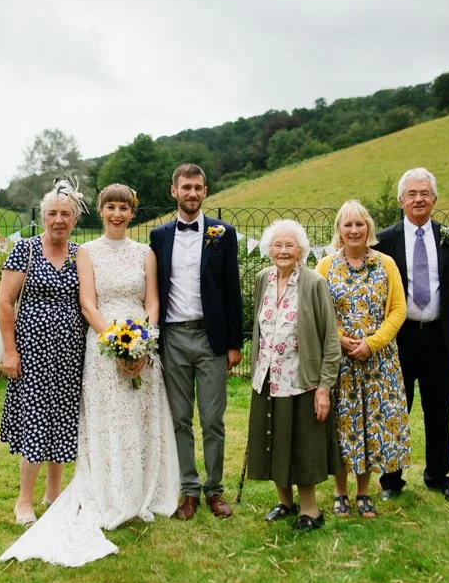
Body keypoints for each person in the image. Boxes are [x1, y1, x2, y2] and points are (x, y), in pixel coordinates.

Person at [0, 184, 179, 567]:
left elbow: (152, 300)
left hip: (106, 347)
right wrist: (116, 342)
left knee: (96, 419)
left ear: (132, 212)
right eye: (110, 207)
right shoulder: (76, 252)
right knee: (78, 419)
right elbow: (84, 303)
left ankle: (122, 491)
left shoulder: (136, 253)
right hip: (83, 346)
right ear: (100, 211)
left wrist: (142, 343)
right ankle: (35, 499)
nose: (117, 213)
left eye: (124, 208)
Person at [150, 164, 244, 520]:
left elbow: (232, 290)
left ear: (205, 191)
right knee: (179, 419)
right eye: (186, 187)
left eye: (198, 187)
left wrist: (234, 343)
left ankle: (214, 490)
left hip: (211, 338)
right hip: (173, 337)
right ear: (174, 191)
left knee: (213, 419)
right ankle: (188, 490)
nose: (192, 193)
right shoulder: (159, 236)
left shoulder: (223, 233)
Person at [0, 178, 88, 525]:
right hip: (32, 354)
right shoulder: (26, 250)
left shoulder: (81, 254)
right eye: (52, 213)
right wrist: (10, 351)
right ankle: (24, 501)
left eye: (65, 214)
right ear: (42, 217)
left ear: (75, 219)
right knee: (35, 420)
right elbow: (5, 302)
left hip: (70, 354)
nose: (59, 220)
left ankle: (54, 494)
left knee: (63, 420)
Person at [375, 168, 449, 503]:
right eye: (412, 194)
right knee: (396, 411)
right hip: (400, 339)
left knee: (439, 413)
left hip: (440, 340)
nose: (419, 199)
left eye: (425, 193)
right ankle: (391, 481)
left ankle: (438, 478)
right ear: (401, 200)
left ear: (434, 199)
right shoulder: (384, 239)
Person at [316, 200, 411, 518]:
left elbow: (398, 309)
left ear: (368, 227)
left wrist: (373, 343)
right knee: (343, 426)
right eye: (348, 224)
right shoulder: (325, 266)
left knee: (371, 426)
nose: (354, 230)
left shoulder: (386, 264)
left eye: (360, 224)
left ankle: (363, 493)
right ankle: (340, 492)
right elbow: (318, 310)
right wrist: (339, 339)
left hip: (378, 362)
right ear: (339, 230)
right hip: (340, 362)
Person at [247, 219, 341, 532]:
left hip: (301, 380)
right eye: (278, 245)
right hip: (267, 378)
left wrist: (324, 387)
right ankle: (285, 502)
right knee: (272, 439)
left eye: (290, 245)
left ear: (301, 250)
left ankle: (311, 510)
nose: (283, 250)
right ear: (269, 249)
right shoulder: (263, 278)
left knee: (303, 445)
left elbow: (330, 338)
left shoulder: (314, 283)